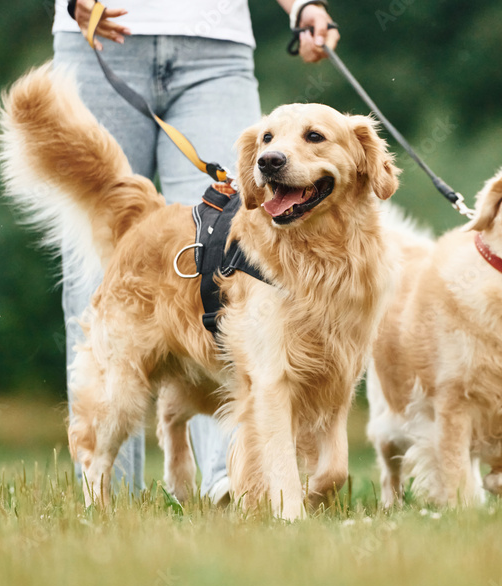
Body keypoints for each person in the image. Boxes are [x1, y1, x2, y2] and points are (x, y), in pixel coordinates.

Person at [52, 0, 339, 503]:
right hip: (98, 33)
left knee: (241, 253)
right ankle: (106, 495)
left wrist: (304, 8)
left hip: (216, 49)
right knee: (99, 284)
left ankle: (230, 481)